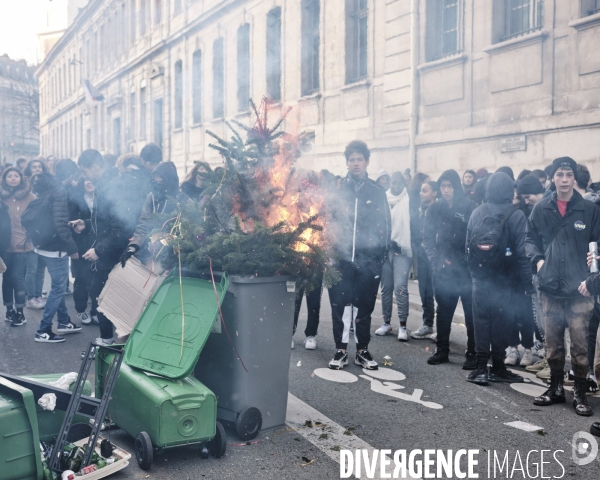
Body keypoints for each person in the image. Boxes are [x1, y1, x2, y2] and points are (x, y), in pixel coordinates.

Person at [526, 157, 600, 416]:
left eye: (568, 175)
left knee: (580, 344)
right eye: (559, 174)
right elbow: (530, 238)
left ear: (574, 178)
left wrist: (594, 267)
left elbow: (597, 242)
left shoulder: (589, 209)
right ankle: (555, 388)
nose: (565, 180)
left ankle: (580, 392)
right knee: (554, 344)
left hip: (580, 290)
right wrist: (537, 261)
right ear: (552, 178)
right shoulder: (542, 207)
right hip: (550, 287)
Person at [327, 140, 390, 370]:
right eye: (351, 159)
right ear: (347, 162)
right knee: (340, 306)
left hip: (368, 262)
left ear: (366, 162)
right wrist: (328, 254)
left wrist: (379, 258)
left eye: (359, 159)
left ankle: (362, 351)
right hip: (339, 259)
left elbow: (385, 225)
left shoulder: (377, 191)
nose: (355, 163)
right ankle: (340, 350)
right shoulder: (337, 189)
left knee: (364, 308)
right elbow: (326, 223)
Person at [465, 173, 532, 385]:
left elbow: (467, 248)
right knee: (503, 321)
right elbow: (522, 252)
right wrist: (526, 283)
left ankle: (480, 368)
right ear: (509, 191)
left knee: (482, 320)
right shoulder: (517, 215)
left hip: (482, 278)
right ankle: (499, 367)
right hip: (507, 279)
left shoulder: (477, 212)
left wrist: (475, 275)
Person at [71, 149, 133, 346]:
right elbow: (106, 221)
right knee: (100, 296)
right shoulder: (105, 184)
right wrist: (87, 223)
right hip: (110, 254)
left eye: (84, 171)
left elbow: (121, 229)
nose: (84, 176)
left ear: (95, 167)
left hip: (114, 255)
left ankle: (109, 340)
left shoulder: (112, 186)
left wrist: (99, 250)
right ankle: (108, 339)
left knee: (102, 297)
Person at [422, 169, 476, 368]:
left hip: (466, 269)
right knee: (444, 311)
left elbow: (476, 236)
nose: (446, 190)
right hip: (444, 269)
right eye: (443, 186)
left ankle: (472, 353)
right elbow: (427, 237)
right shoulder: (434, 209)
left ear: (456, 187)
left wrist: (471, 261)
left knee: (471, 312)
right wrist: (436, 260)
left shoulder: (470, 207)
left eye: (449, 186)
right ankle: (442, 349)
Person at [30, 173, 81, 343]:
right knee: (58, 289)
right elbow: (60, 226)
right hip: (56, 251)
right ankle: (43, 330)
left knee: (56, 288)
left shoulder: (43, 194)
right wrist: (72, 248)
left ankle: (64, 322)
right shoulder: (58, 194)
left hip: (42, 248)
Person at [121, 162, 191, 266]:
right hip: (152, 254)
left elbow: (189, 232)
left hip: (177, 257)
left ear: (169, 181)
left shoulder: (184, 201)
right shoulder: (152, 197)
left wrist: (166, 242)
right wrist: (132, 247)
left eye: (160, 181)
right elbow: (143, 225)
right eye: (154, 181)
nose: (157, 185)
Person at [376, 172, 412, 340]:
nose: (396, 186)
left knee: (401, 288)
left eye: (399, 183)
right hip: (385, 250)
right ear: (390, 183)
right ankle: (386, 323)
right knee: (386, 288)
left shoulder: (409, 200)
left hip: (402, 251)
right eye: (393, 183)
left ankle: (403, 326)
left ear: (404, 184)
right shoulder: (383, 199)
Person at [1, 167, 35, 326]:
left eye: (16, 176)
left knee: (18, 276)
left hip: (23, 242)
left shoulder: (30, 197)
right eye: (10, 176)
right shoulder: (1, 197)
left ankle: (20, 312)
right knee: (7, 277)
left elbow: (38, 218)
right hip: (4, 243)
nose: (13, 178)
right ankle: (9, 310)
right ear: (4, 178)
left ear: (21, 178)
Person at [411, 180, 438, 339]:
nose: (421, 193)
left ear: (434, 193)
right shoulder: (420, 210)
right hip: (421, 255)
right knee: (425, 292)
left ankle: (441, 329)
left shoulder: (439, 210)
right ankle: (427, 324)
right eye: (421, 190)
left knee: (439, 293)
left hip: (436, 256)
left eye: (425, 191)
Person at [68, 176, 97, 326]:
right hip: (80, 247)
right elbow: (69, 225)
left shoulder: (102, 198)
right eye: (85, 178)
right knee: (81, 279)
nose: (89, 181)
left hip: (98, 246)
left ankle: (96, 311)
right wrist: (72, 248)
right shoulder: (75, 200)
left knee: (97, 280)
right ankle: (81, 309)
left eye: (90, 178)